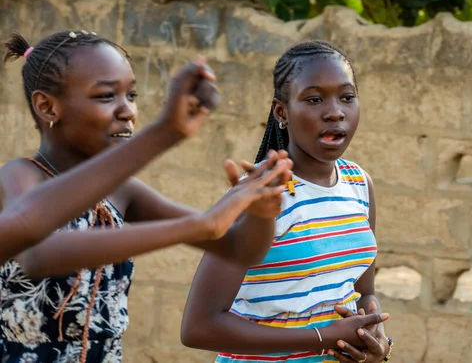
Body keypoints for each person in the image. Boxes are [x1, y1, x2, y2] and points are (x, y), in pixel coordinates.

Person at [0, 30, 293, 363]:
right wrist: (196, 225)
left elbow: (241, 248)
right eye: (106, 96)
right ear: (47, 106)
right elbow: (37, 254)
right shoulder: (18, 177)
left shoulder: (121, 191)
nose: (128, 111)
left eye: (132, 95)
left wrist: (263, 211)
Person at [181, 40, 393, 363]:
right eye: (314, 99)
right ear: (282, 111)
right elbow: (199, 326)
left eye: (347, 97)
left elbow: (363, 292)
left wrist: (372, 339)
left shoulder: (359, 185)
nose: (335, 111)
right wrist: (321, 339)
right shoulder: (261, 195)